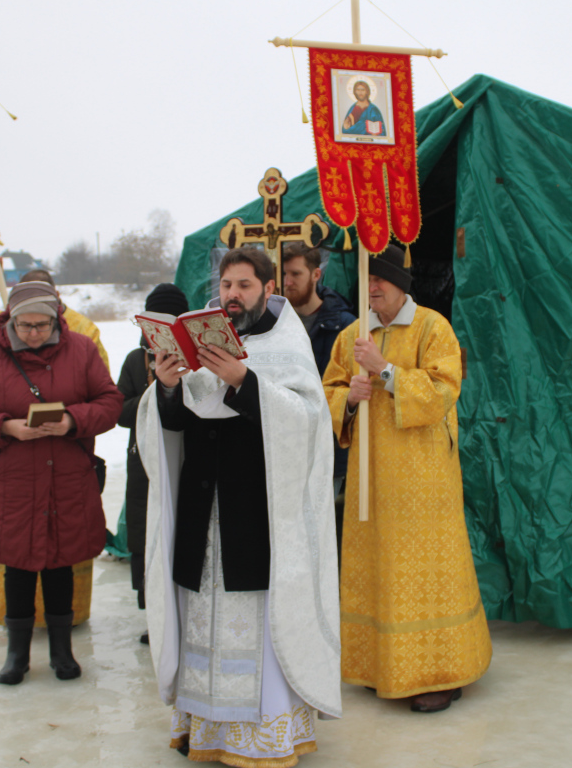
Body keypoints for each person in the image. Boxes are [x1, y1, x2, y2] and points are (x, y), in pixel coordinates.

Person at [137, 247, 341, 766]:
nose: (232, 295)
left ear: (268, 289)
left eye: (244, 285)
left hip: (258, 516)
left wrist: (244, 382)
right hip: (203, 511)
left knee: (257, 626)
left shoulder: (288, 343)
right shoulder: (202, 339)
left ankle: (265, 736)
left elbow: (308, 423)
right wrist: (165, 388)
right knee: (201, 617)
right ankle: (204, 730)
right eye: (226, 285)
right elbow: (175, 429)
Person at [322, 242, 492, 712]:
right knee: (377, 566)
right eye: (367, 279)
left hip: (424, 476)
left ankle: (440, 671)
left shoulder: (432, 327)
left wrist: (386, 372)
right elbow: (328, 395)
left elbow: (444, 390)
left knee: (426, 572)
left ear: (402, 285)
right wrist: (350, 398)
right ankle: (381, 665)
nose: (372, 287)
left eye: (381, 279)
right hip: (370, 480)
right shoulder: (353, 335)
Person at [0, 281, 123, 684]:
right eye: (25, 325)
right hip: (13, 480)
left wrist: (72, 421)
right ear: (10, 321)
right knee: (19, 565)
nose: (33, 334)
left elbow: (110, 402)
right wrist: (5, 426)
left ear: (56, 319)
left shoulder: (81, 350)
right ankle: (17, 654)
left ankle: (62, 652)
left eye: (42, 325)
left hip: (66, 475)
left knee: (61, 562)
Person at [117, 282, 189, 642]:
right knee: (146, 533)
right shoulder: (135, 360)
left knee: (181, 533)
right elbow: (119, 409)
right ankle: (153, 615)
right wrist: (156, 389)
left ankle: (184, 613)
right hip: (143, 462)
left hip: (184, 459)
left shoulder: (195, 358)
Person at [282, 242, 355, 565]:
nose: (287, 281)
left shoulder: (345, 327)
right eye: (283, 274)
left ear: (316, 274)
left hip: (328, 447)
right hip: (284, 446)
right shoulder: (274, 324)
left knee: (325, 535)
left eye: (295, 274)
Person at [0, 253, 110, 370]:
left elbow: (99, 380)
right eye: (28, 298)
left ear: (56, 296)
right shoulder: (7, 326)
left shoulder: (83, 329)